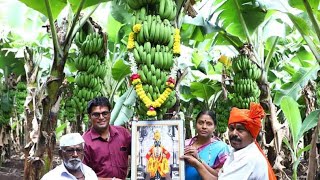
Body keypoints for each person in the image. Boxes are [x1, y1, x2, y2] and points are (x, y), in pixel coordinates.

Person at [181, 102, 277, 180]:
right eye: (231, 128)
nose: (234, 133)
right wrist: (198, 160)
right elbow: (219, 177)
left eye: (240, 130)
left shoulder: (249, 159)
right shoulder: (235, 152)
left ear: (252, 135)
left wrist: (197, 164)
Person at [82, 97, 131, 180]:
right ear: (90, 116)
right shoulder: (84, 142)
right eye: (96, 114)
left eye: (105, 113)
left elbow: (139, 152)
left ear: (110, 114)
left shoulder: (123, 133)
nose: (101, 117)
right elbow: (82, 176)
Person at [184, 110, 229, 180]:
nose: (204, 127)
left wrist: (198, 160)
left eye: (209, 124)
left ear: (214, 127)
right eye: (200, 123)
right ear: (195, 124)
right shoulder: (185, 144)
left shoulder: (221, 148)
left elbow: (220, 176)